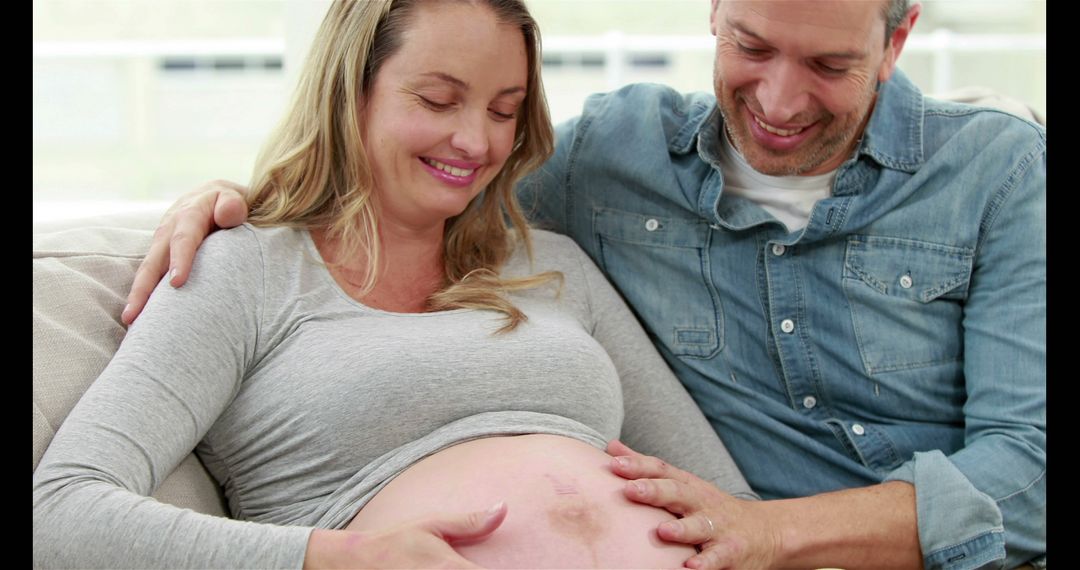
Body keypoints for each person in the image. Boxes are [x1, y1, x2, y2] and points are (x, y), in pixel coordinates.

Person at [130, 0, 1047, 567]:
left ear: (898, 41)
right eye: (752, 46)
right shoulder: (613, 158)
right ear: (713, 14)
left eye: (829, 65)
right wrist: (250, 198)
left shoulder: (998, 173)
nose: (777, 99)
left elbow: (1036, 475)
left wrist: (775, 537)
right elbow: (425, 183)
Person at [32, 1, 759, 568]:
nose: (477, 142)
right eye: (440, 101)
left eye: (503, 110)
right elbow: (59, 511)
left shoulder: (555, 265)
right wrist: (332, 558)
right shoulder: (244, 268)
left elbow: (731, 509)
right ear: (353, 91)